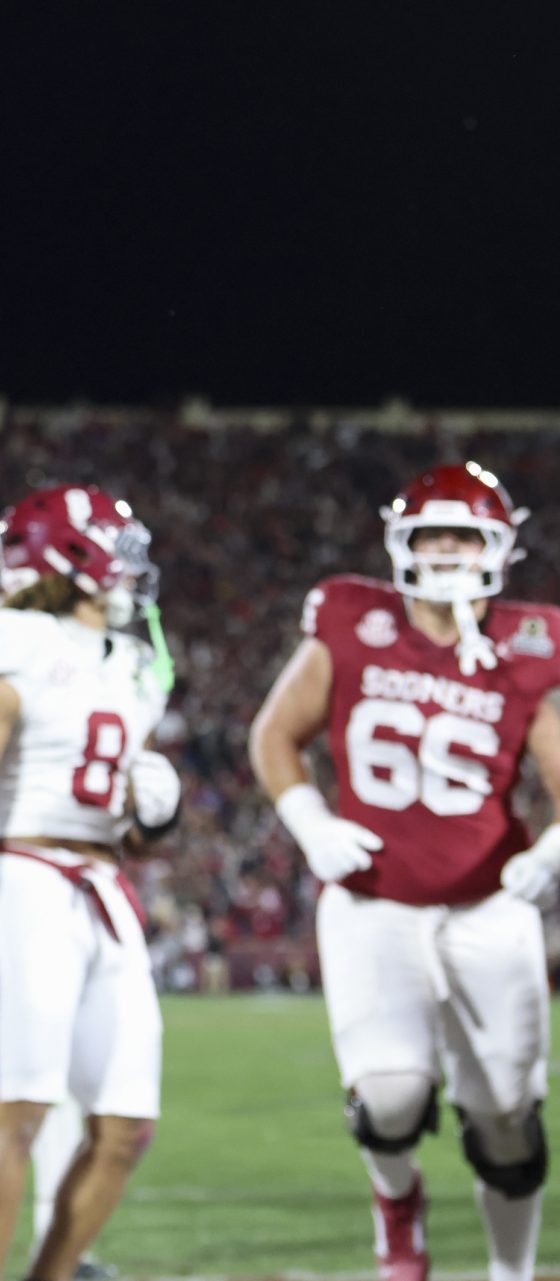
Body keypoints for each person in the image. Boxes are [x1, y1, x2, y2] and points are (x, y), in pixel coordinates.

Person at [250, 461, 557, 1281]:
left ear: (499, 545)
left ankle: (511, 1270)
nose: (450, 550)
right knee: (388, 1100)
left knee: (508, 1124)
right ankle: (398, 1205)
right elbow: (275, 735)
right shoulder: (354, 619)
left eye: (466, 534)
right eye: (433, 534)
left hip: (489, 908)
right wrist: (309, 820)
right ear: (402, 544)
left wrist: (553, 851)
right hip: (373, 903)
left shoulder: (531, 643)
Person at [0, 486, 181, 1281]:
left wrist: (153, 817)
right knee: (21, 1108)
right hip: (26, 880)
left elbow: (122, 823)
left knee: (125, 1126)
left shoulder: (132, 661)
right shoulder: (9, 640)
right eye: (115, 546)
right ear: (70, 557)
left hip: (103, 884)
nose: (129, 568)